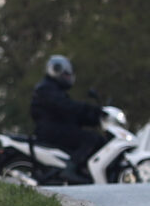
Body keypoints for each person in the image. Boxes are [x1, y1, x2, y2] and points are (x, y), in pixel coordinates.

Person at [30, 53, 108, 182]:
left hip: (56, 128)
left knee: (96, 138)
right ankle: (70, 170)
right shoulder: (46, 89)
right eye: (66, 74)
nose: (69, 78)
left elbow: (70, 115)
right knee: (91, 139)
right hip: (51, 131)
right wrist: (90, 109)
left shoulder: (54, 89)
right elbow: (67, 107)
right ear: (56, 71)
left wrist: (93, 118)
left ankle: (83, 171)